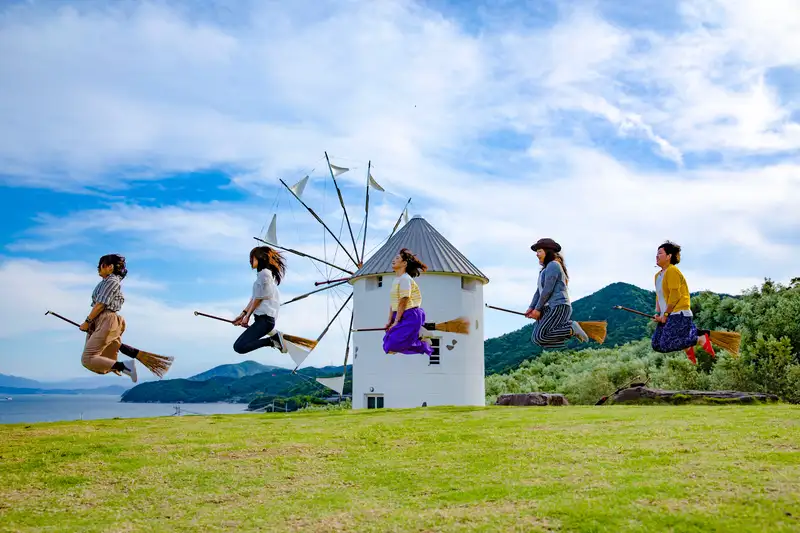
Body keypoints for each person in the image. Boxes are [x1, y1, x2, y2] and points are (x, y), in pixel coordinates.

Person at [651, 241, 715, 364]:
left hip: (679, 313)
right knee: (656, 344)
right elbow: (659, 296)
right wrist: (658, 314)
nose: (657, 256)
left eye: (660, 253)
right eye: (656, 253)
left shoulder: (672, 271)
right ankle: (687, 342)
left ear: (669, 256)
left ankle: (699, 339)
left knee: (665, 344)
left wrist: (665, 315)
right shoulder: (657, 276)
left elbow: (675, 295)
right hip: (668, 314)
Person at [79, 254, 138, 382]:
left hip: (106, 319)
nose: (98, 268)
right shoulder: (106, 282)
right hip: (100, 320)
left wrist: (87, 322)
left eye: (101, 265)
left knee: (88, 358)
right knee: (95, 359)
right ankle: (118, 366)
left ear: (110, 267)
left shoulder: (112, 281)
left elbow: (100, 305)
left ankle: (124, 366)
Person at [525, 238, 589, 348]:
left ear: (548, 251)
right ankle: (566, 341)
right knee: (536, 339)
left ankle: (571, 327)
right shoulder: (544, 270)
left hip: (558, 306)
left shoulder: (553, 265)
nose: (537, 254)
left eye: (539, 251)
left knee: (541, 336)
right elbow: (538, 292)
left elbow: (547, 290)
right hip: (548, 307)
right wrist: (531, 308)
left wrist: (537, 309)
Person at [232, 246, 288, 355]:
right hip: (262, 321)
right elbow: (254, 298)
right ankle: (273, 340)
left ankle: (273, 340)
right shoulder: (262, 275)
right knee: (238, 347)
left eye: (252, 258)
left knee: (239, 347)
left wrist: (247, 316)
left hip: (265, 321)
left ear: (260, 257)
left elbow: (258, 299)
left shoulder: (265, 274)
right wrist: (242, 315)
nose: (250, 260)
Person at [382, 248, 434, 356]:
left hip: (410, 314)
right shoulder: (396, 280)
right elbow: (393, 303)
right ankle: (417, 335)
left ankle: (422, 343)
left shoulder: (405, 279)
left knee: (393, 344)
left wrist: (396, 322)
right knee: (387, 345)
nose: (393, 260)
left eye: (397, 258)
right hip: (399, 314)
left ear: (404, 263)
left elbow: (404, 300)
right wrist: (389, 320)